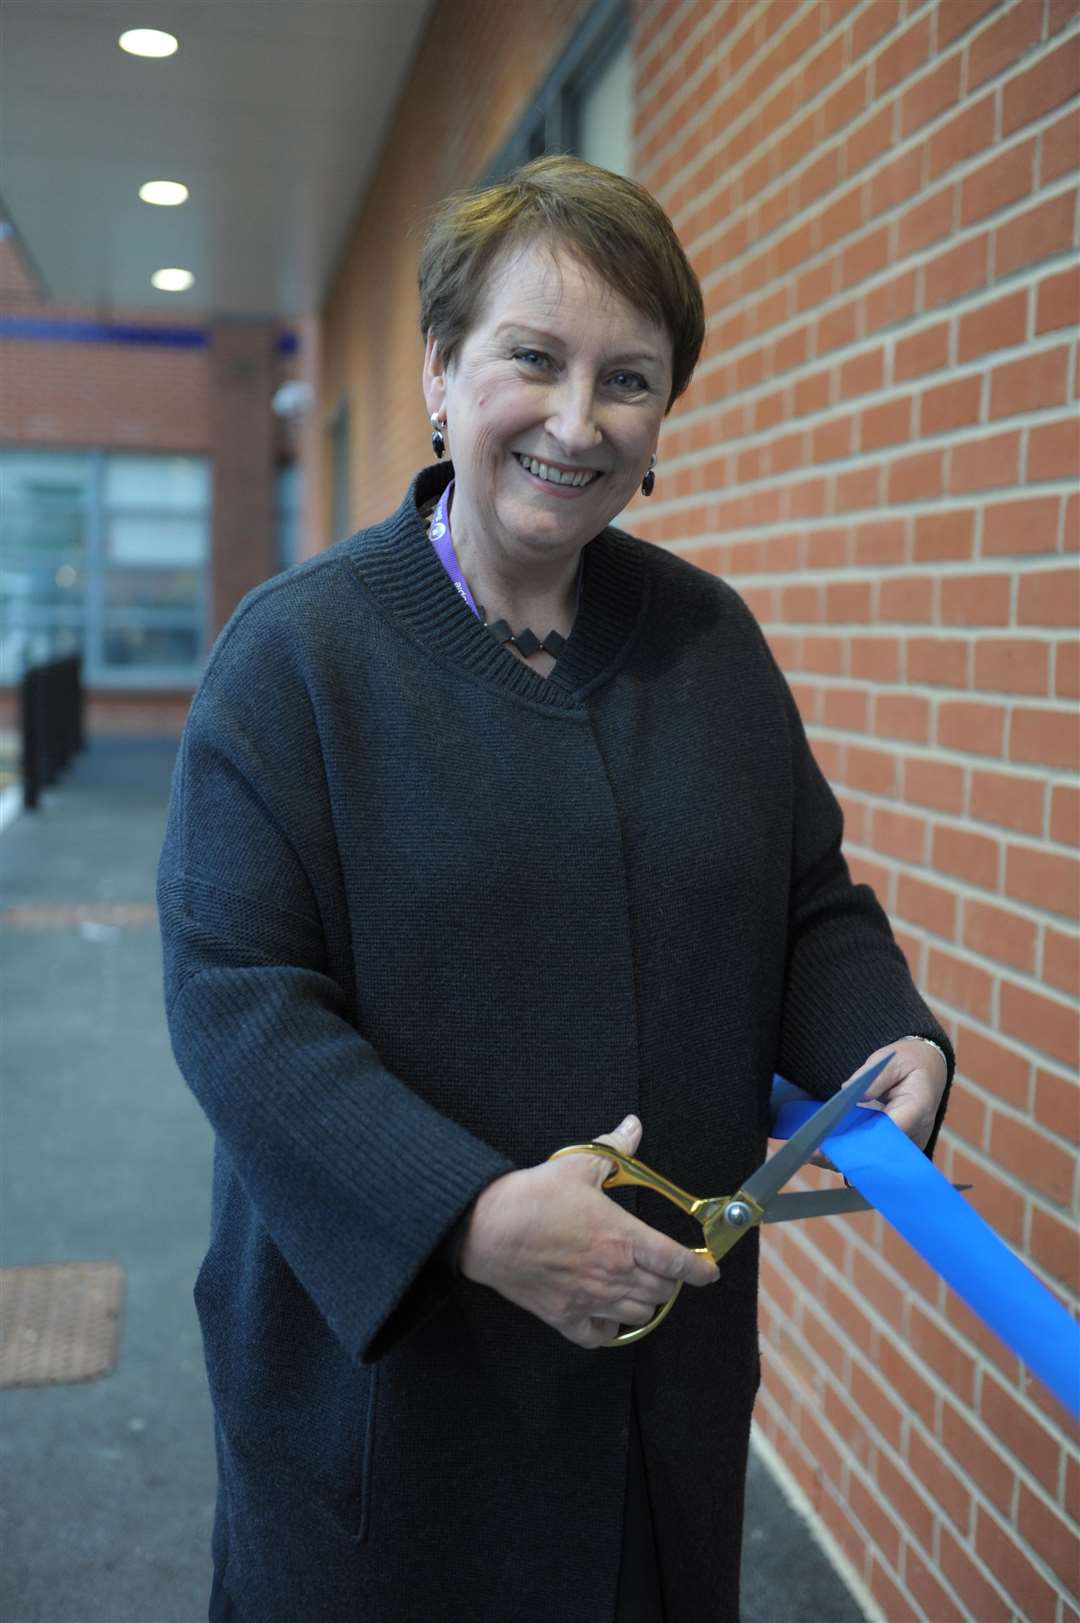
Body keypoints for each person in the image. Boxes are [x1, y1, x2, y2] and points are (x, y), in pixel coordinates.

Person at [158, 155, 952, 1623]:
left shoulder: (709, 646)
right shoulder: (299, 657)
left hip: (658, 1412)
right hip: (391, 1413)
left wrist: (885, 1037)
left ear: (663, 426)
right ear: (443, 373)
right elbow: (236, 1002)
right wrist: (467, 1213)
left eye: (629, 380)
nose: (577, 422)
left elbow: (805, 904)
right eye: (535, 359)